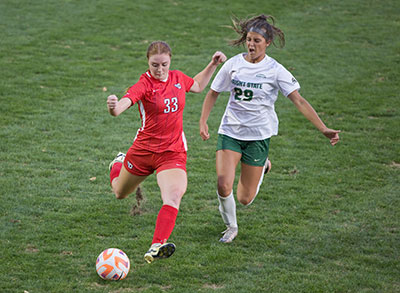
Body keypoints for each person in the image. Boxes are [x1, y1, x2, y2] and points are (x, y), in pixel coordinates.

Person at [199, 15, 340, 243]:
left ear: (268, 43)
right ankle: (231, 227)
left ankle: (263, 164)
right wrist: (203, 121)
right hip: (230, 132)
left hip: (258, 137)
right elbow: (213, 92)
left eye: (257, 40)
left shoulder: (275, 70)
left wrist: (323, 129)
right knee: (223, 183)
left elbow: (299, 101)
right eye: (249, 39)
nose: (251, 45)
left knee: (245, 198)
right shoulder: (233, 64)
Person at [107, 41, 226, 263]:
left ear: (170, 61)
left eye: (164, 64)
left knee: (173, 195)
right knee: (119, 193)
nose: (160, 70)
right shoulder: (144, 84)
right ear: (148, 63)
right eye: (154, 65)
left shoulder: (178, 78)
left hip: (172, 153)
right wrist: (113, 107)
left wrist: (212, 64)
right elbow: (124, 105)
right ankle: (118, 163)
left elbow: (198, 85)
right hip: (143, 151)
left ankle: (156, 244)